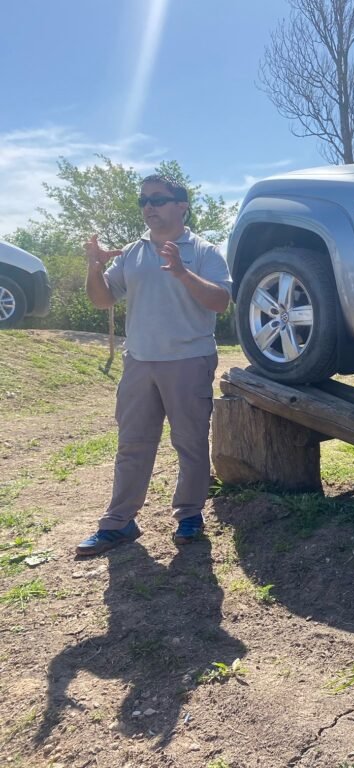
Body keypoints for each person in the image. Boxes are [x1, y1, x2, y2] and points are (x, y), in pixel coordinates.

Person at [76, 174, 232, 556]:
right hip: (139, 363)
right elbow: (101, 300)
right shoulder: (133, 252)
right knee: (132, 445)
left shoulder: (204, 251)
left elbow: (221, 301)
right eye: (143, 200)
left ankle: (189, 515)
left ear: (182, 205)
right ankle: (118, 522)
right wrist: (94, 267)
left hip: (188, 361)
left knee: (190, 443)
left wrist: (181, 272)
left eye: (158, 199)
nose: (149, 207)